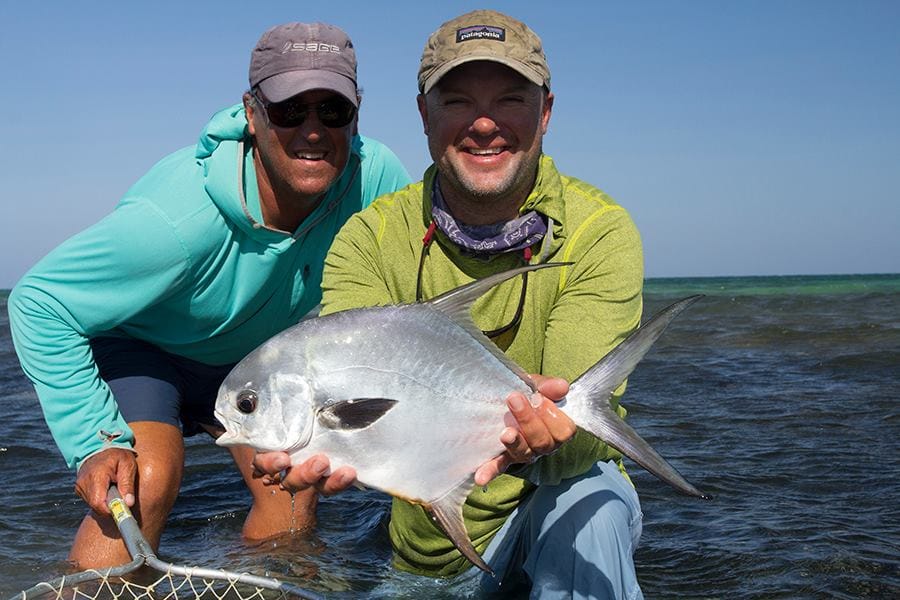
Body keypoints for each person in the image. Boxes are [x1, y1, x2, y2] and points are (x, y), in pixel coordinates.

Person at [254, 10, 646, 600]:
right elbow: (354, 394)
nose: (484, 124)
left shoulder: (599, 231)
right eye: (457, 101)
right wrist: (327, 448)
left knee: (593, 504)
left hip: (559, 491)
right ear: (423, 115)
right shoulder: (369, 239)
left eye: (511, 100)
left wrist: (543, 429)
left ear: (545, 112)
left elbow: (582, 438)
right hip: (431, 537)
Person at [7, 22, 410, 569]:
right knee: (145, 480)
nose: (313, 131)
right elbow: (39, 302)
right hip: (145, 352)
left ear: (357, 113)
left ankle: (256, 575)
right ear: (252, 111)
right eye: (291, 111)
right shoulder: (174, 222)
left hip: (251, 362)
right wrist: (94, 442)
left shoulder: (377, 178)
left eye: (332, 111)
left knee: (294, 490)